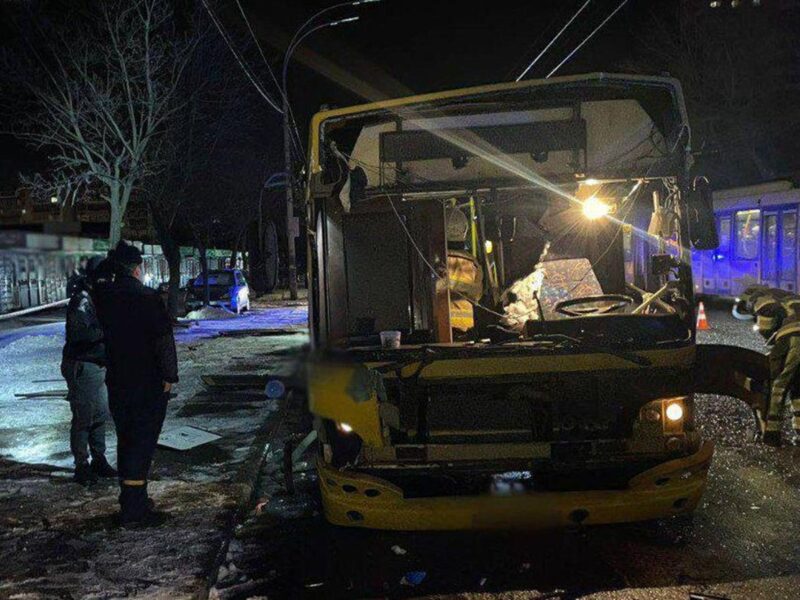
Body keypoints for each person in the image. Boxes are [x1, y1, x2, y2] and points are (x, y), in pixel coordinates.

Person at [96, 241, 178, 526]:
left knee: (126, 438)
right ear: (137, 269)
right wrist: (169, 376)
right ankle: (134, 509)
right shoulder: (147, 298)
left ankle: (132, 498)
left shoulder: (103, 297)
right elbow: (163, 341)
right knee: (142, 442)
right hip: (148, 382)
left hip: (118, 381)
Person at [61, 257, 117, 485]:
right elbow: (79, 334)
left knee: (100, 414)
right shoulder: (82, 300)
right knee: (84, 417)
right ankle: (81, 465)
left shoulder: (95, 297)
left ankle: (98, 458)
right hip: (83, 364)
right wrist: (107, 329)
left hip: (96, 365)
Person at [736, 286, 800, 446]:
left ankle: (771, 434)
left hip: (793, 337)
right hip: (794, 334)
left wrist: (774, 346)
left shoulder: (759, 301)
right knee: (798, 385)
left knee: (777, 385)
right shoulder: (789, 297)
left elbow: (766, 326)